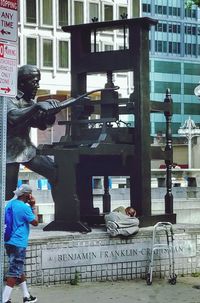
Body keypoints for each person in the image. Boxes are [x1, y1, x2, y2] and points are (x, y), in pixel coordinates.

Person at [6, 64, 60, 201]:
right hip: (7, 153)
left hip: (26, 150)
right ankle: (5, 221)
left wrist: (50, 114)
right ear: (22, 82)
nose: (37, 86)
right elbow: (13, 117)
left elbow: (41, 124)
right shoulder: (8, 98)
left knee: (56, 173)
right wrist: (36, 107)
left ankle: (63, 215)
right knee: (8, 194)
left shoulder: (29, 101)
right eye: (34, 82)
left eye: (38, 82)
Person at [3, 184, 38, 303]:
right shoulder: (25, 208)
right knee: (14, 272)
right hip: (19, 243)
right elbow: (35, 222)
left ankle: (26, 296)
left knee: (18, 268)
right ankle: (4, 299)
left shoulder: (11, 204)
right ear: (27, 195)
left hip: (8, 241)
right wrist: (33, 206)